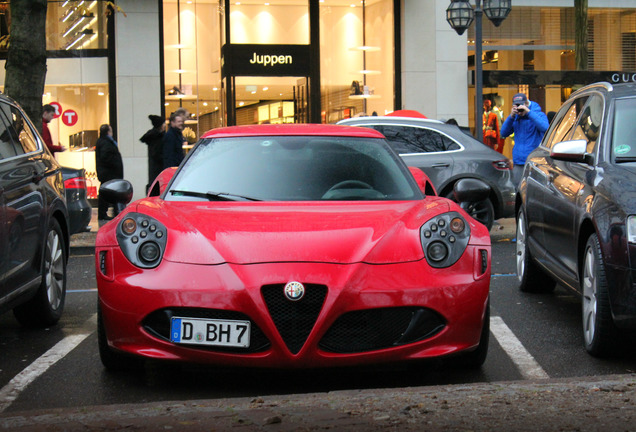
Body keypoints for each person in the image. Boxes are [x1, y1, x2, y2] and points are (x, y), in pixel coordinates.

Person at [500, 93, 549, 186]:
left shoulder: (538, 114)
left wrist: (529, 113)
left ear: (526, 103)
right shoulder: (515, 117)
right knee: (517, 190)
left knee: (534, 190)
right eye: (517, 106)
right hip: (519, 162)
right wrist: (511, 117)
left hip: (534, 162)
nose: (519, 108)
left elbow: (545, 128)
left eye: (521, 105)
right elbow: (503, 133)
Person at [95, 124, 123, 221]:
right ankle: (105, 213)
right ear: (108, 132)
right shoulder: (106, 142)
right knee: (108, 193)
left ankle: (107, 213)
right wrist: (115, 163)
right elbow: (105, 157)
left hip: (107, 173)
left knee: (108, 193)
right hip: (109, 173)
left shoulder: (103, 141)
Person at [140, 114, 165, 190]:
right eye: (163, 123)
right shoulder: (157, 138)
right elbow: (156, 154)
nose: (164, 125)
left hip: (154, 169)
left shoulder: (153, 136)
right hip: (158, 168)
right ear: (160, 125)